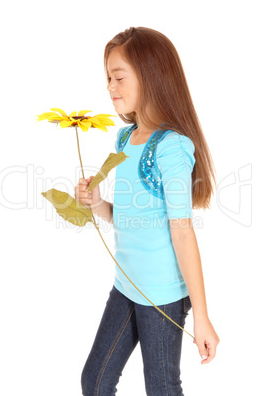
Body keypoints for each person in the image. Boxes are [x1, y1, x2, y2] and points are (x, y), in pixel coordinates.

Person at [75, 26, 220, 396]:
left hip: (162, 295)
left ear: (152, 76)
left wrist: (201, 317)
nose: (110, 87)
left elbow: (182, 231)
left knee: (161, 387)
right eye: (108, 78)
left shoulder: (172, 147)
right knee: (95, 380)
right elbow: (125, 217)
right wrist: (97, 204)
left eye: (119, 77)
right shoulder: (124, 139)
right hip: (126, 286)